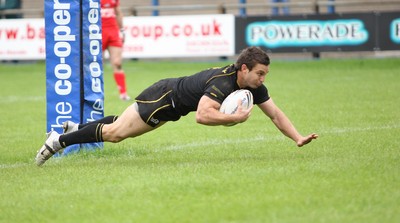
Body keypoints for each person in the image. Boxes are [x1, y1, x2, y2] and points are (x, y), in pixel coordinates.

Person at [36, 47, 318, 166]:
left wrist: (297, 137)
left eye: (265, 75)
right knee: (116, 134)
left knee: (119, 128)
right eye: (259, 73)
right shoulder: (223, 83)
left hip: (171, 104)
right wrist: (233, 119)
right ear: (244, 68)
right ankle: (58, 140)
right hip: (164, 98)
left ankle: (76, 128)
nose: (263, 78)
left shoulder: (253, 87)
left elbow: (275, 114)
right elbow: (203, 116)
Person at [101, 0, 130, 100]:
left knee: (117, 63)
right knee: (97, 65)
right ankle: (95, 93)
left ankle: (123, 94)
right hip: (99, 32)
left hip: (113, 32)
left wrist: (122, 30)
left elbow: (118, 12)